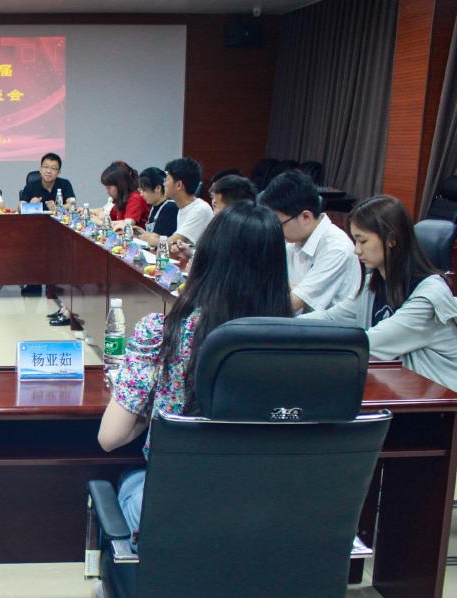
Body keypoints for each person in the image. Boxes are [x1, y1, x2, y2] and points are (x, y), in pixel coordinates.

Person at [97, 202, 293, 544]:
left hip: (180, 506)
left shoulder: (164, 332)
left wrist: (151, 408)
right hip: (273, 514)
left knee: (131, 485)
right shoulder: (298, 344)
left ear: (205, 261)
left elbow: (109, 437)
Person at [303, 195, 457, 391]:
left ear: (391, 239)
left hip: (439, 398)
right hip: (399, 387)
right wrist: (282, 327)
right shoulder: (373, 285)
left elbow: (370, 343)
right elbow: (330, 318)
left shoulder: (428, 298)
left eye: (363, 241)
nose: (356, 250)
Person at [259, 169, 361, 313]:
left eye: (279, 224)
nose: (276, 231)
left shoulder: (336, 248)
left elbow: (292, 303)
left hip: (328, 326)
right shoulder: (295, 239)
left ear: (306, 217)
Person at [163, 157, 214, 257]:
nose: (164, 183)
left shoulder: (200, 209)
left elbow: (169, 244)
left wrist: (149, 239)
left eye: (167, 179)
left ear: (179, 185)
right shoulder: (183, 207)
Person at [132, 167, 178, 248]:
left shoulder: (170, 207)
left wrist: (144, 236)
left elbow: (155, 240)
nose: (141, 194)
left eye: (144, 190)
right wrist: (143, 233)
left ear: (158, 188)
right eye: (140, 190)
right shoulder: (154, 206)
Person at [94, 161, 148, 230]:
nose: (107, 191)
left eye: (109, 188)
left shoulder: (135, 198)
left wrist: (99, 222)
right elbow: (110, 219)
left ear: (120, 185)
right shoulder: (120, 199)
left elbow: (127, 223)